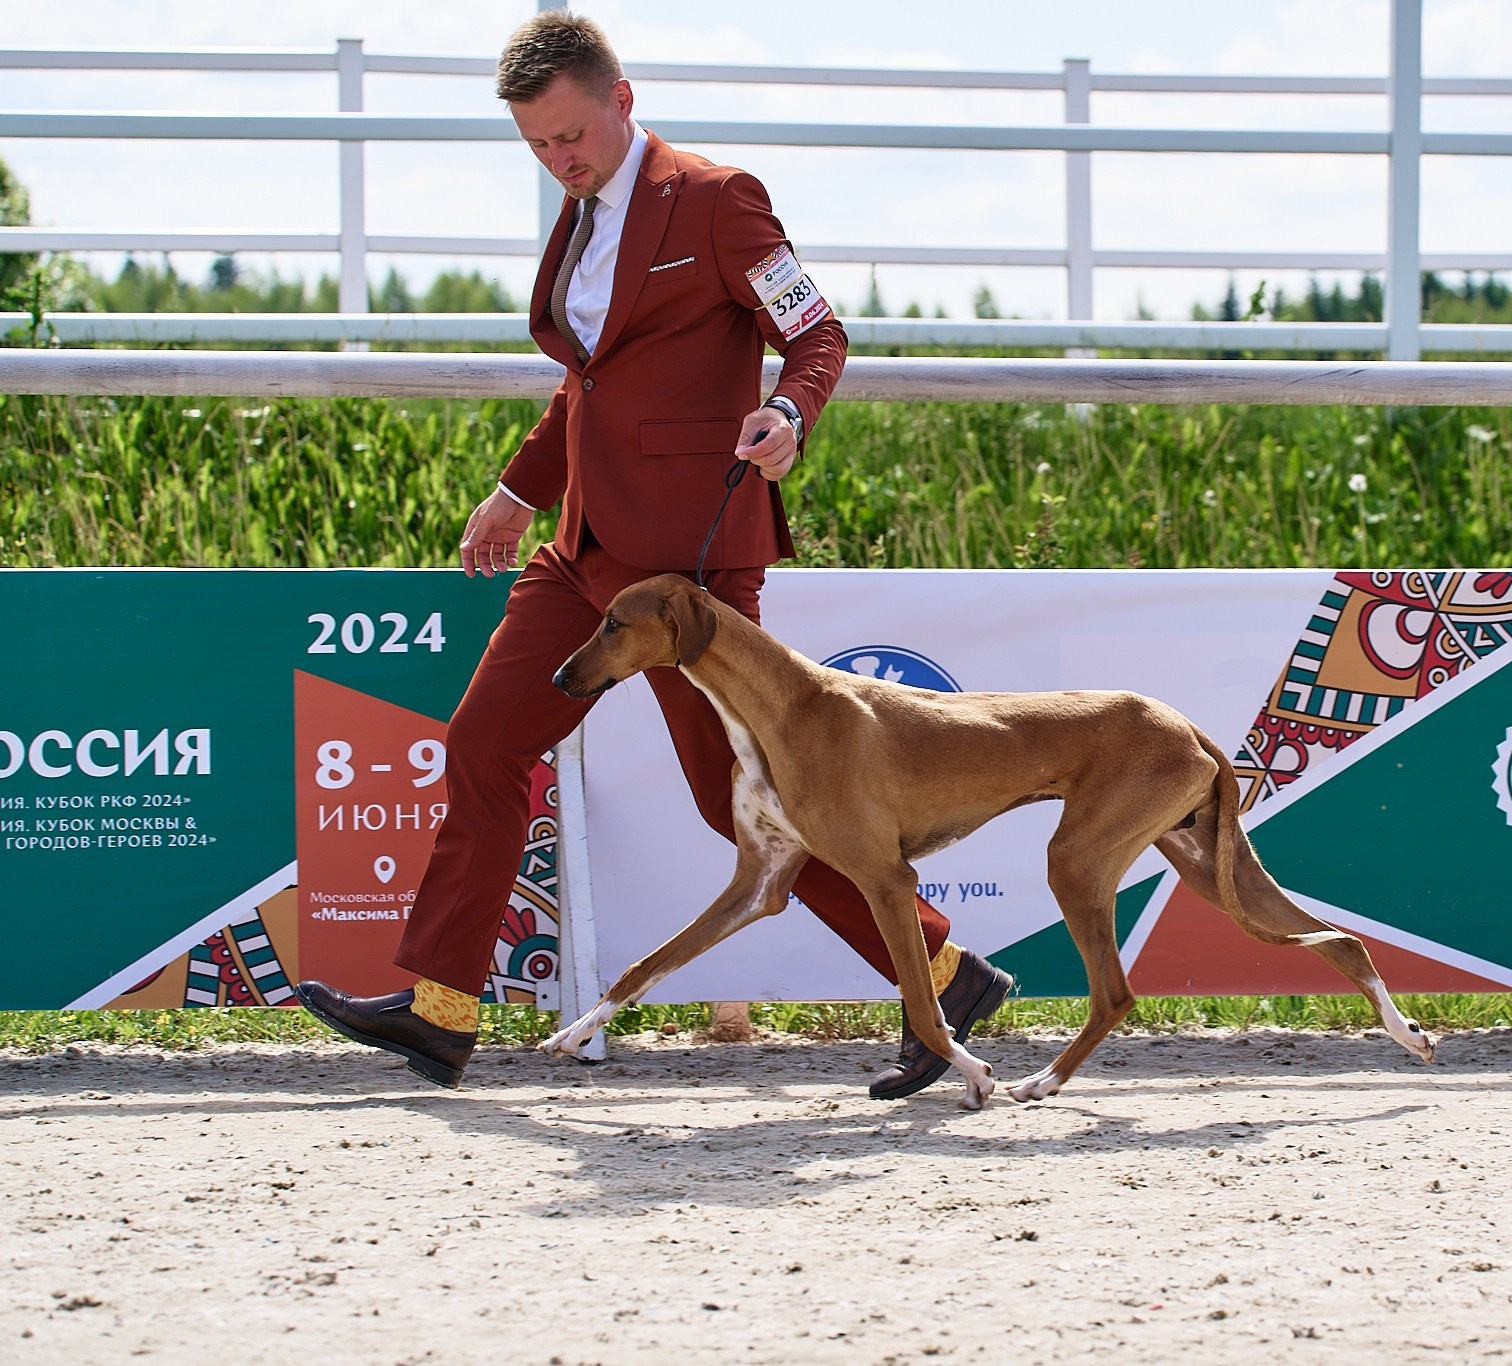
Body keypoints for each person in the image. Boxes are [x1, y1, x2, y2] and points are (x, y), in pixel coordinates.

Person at [296, 11, 1010, 1097]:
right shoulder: (580, 217)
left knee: (751, 801)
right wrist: (516, 493)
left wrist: (789, 412)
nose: (559, 159)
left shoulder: (719, 200)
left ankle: (944, 974)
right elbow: (586, 385)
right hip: (580, 552)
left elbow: (817, 334)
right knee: (483, 743)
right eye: (538, 145)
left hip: (688, 582)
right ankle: (441, 1009)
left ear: (621, 100)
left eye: (570, 135)